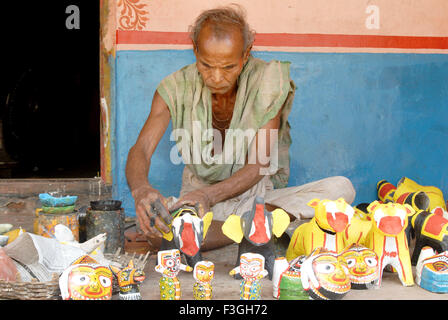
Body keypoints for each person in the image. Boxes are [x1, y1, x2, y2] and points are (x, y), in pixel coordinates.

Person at [125, 5, 355, 252]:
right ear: (195, 51)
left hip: (252, 196)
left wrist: (211, 196)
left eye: (228, 68)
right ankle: (254, 227)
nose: (215, 77)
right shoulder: (173, 88)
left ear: (245, 55)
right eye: (205, 65)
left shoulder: (266, 83)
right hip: (196, 200)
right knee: (159, 229)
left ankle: (201, 231)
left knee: (340, 189)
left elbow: (259, 165)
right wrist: (141, 190)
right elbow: (142, 149)